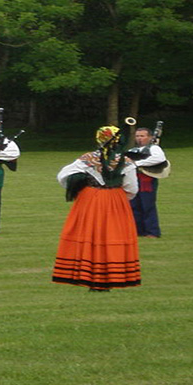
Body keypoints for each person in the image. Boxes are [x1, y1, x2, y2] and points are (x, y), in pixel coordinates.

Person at [52, 125, 141, 291]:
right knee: (111, 236)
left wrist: (80, 186)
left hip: (90, 199)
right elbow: (132, 188)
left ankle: (89, 276)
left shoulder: (88, 158)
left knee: (91, 235)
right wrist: (120, 198)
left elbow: (63, 175)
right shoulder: (127, 161)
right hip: (115, 199)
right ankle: (111, 276)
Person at [122, 126, 168, 238]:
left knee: (147, 205)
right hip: (133, 179)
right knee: (134, 205)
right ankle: (138, 231)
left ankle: (152, 232)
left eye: (142, 136)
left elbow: (159, 159)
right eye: (137, 136)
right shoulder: (133, 150)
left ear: (150, 137)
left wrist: (137, 163)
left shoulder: (154, 149)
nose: (139, 138)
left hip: (146, 180)